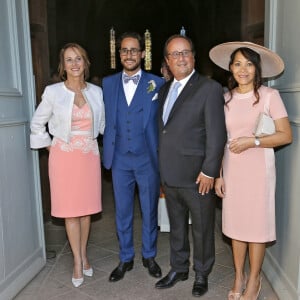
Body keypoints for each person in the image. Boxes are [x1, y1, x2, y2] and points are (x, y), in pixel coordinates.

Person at [210, 41, 292, 300]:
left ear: (256, 69)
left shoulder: (270, 96)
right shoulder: (225, 99)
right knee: (236, 227)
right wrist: (219, 175)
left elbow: (285, 135)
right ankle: (239, 276)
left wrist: (253, 141)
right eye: (237, 64)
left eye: (248, 64)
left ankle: (254, 280)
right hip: (232, 171)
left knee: (256, 227)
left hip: (259, 171)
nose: (242, 69)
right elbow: (220, 141)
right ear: (230, 69)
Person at [155, 34, 227, 297]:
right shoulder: (163, 90)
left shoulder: (209, 88)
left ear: (193, 57)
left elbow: (216, 134)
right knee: (176, 226)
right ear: (167, 61)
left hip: (198, 176)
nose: (181, 58)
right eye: (175, 54)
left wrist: (209, 170)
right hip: (170, 174)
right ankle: (179, 267)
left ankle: (201, 273)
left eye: (185, 52)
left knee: (202, 229)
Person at [30, 43, 105, 288]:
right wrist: (51, 147)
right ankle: (76, 260)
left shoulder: (96, 91)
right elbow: (36, 124)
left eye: (79, 59)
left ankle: (84, 255)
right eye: (69, 60)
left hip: (89, 155)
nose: (74, 64)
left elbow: (102, 124)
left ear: (86, 62)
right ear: (63, 65)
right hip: (64, 157)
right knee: (71, 211)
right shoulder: (53, 92)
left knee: (86, 211)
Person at [102, 32, 165, 282]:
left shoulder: (157, 83)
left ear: (142, 54)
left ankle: (149, 255)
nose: (129, 55)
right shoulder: (107, 84)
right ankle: (125, 257)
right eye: (124, 50)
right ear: (120, 55)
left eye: (134, 50)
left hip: (147, 158)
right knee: (123, 211)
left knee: (149, 210)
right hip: (119, 159)